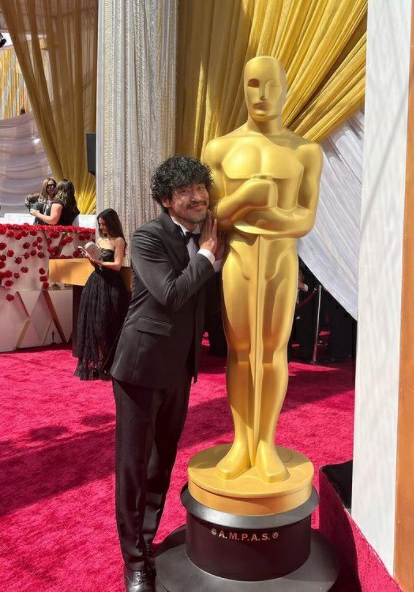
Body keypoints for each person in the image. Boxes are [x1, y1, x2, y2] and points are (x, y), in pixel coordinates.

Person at [202, 56, 323, 483]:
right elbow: (214, 215)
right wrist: (248, 198)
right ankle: (241, 442)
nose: (263, 95)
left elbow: (305, 219)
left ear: (286, 89)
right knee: (239, 352)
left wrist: (266, 216)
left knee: (273, 351)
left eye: (272, 85)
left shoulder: (306, 151)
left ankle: (266, 442)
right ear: (243, 88)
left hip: (280, 260)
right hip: (238, 260)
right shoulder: (219, 148)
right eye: (254, 84)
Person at [110, 156, 224, 592]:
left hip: (180, 368)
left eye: (201, 188)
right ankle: (135, 561)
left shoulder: (206, 236)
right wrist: (210, 256)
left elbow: (206, 306)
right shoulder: (147, 237)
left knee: (162, 460)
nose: (198, 197)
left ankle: (147, 539)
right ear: (166, 200)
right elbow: (172, 295)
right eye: (185, 192)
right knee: (134, 467)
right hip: (141, 366)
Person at [74, 209, 128, 381]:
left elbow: (118, 265)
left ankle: (110, 363)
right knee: (93, 323)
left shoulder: (119, 241)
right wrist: (91, 260)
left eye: (104, 224)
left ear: (112, 223)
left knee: (107, 323)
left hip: (111, 285)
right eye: (100, 224)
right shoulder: (99, 240)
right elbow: (97, 265)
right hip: (96, 283)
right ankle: (99, 362)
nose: (102, 227)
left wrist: (100, 261)